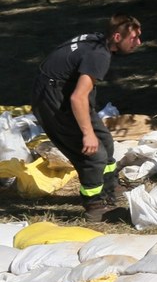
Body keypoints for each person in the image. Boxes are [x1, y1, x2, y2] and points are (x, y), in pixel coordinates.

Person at [31, 14, 144, 221]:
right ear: (117, 37)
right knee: (93, 154)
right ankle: (95, 207)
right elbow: (78, 98)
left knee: (106, 142)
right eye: (134, 38)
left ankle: (110, 188)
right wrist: (87, 133)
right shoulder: (98, 55)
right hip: (54, 101)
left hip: (63, 92)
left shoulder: (98, 41)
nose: (138, 42)